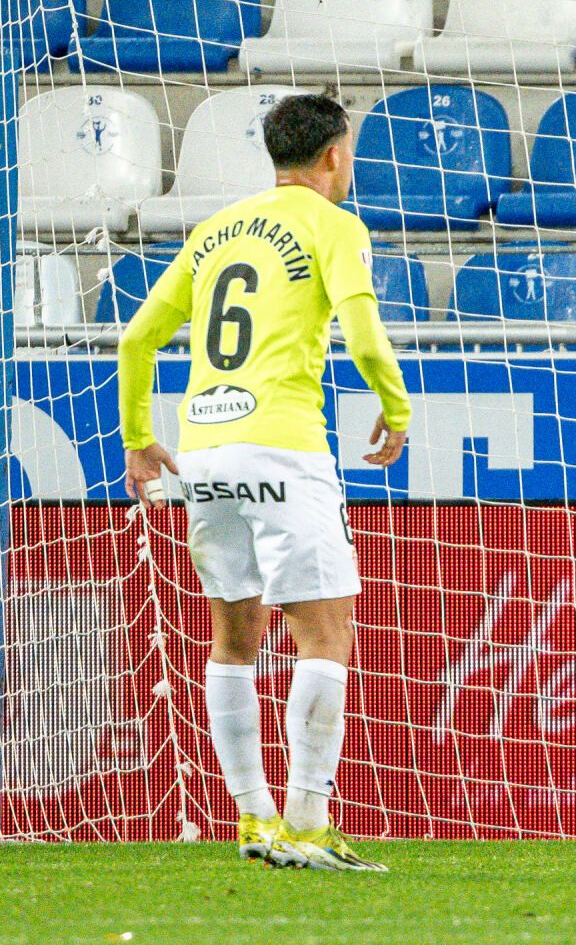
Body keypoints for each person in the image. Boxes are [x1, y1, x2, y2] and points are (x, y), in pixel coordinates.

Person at [118, 93, 412, 871]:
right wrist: (397, 406)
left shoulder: (216, 230)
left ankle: (255, 818)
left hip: (204, 452)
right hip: (283, 449)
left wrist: (138, 437)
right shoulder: (336, 226)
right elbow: (364, 333)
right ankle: (310, 821)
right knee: (324, 633)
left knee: (233, 637)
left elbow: (138, 335)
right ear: (334, 157)